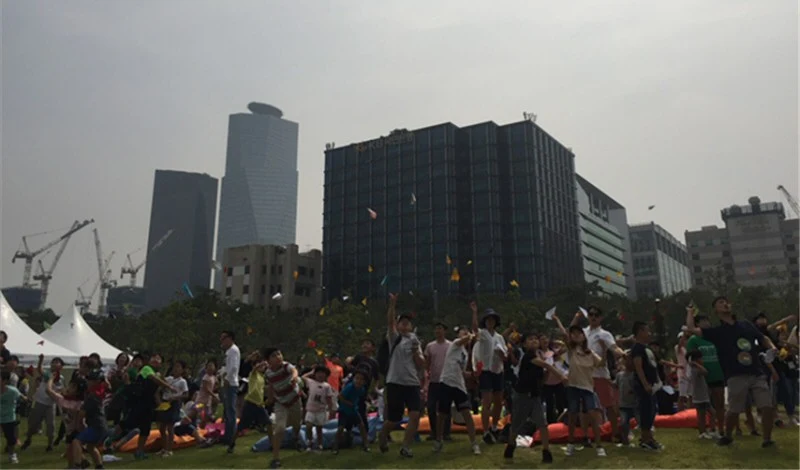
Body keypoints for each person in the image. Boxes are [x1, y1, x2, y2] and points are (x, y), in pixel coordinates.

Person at [685, 297, 778, 448]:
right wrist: (690, 312)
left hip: (756, 372)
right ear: (716, 310)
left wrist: (772, 348)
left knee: (766, 406)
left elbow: (763, 337)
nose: (725, 304)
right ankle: (728, 435)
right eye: (720, 303)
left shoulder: (746, 325)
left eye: (727, 302)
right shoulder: (717, 332)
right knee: (734, 410)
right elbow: (691, 329)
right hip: (735, 375)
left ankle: (767, 439)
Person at [504, 333, 566, 463]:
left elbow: (543, 379)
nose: (534, 341)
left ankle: (546, 451)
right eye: (530, 339)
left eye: (535, 339)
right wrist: (561, 376)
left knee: (542, 423)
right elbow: (547, 365)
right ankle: (510, 446)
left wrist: (547, 374)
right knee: (516, 424)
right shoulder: (528, 357)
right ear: (525, 344)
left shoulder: (539, 357)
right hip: (522, 395)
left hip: (535, 395)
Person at [378, 293, 425, 458]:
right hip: (395, 381)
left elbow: (421, 363)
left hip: (411, 382)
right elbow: (390, 322)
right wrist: (392, 304)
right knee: (394, 419)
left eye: (408, 322)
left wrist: (415, 353)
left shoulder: (414, 340)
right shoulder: (394, 338)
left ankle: (406, 446)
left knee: (415, 414)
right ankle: (383, 434)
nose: (405, 325)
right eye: (402, 322)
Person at [570, 306, 626, 443]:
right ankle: (586, 436)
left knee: (608, 405)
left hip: (600, 372)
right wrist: (576, 318)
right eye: (591, 315)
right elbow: (570, 333)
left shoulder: (604, 334)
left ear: (601, 318)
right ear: (587, 316)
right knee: (585, 407)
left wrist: (624, 354)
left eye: (596, 315)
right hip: (585, 374)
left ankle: (615, 433)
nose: (593, 317)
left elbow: (614, 348)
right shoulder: (583, 332)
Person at [553, 315, 607, 457]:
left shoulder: (590, 353)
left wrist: (605, 350)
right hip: (573, 387)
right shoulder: (571, 350)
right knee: (572, 415)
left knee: (593, 415)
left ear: (584, 337)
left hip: (588, 388)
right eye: (574, 334)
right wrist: (560, 320)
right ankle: (571, 444)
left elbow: (601, 364)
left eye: (579, 334)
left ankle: (599, 445)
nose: (576, 336)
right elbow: (565, 333)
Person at [432, 326, 481, 456]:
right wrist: (472, 335)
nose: (465, 336)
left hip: (459, 386)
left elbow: (461, 371)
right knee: (442, 414)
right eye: (462, 333)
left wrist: (472, 374)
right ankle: (438, 440)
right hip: (446, 382)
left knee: (467, 414)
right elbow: (463, 340)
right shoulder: (454, 344)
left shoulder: (465, 354)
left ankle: (474, 443)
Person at [470, 300, 507, 444]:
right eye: (487, 320)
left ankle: (493, 427)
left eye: (492, 320)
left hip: (497, 370)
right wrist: (474, 312)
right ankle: (485, 430)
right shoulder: (483, 334)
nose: (489, 322)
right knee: (487, 401)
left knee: (498, 402)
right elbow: (474, 329)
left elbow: (505, 356)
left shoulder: (499, 338)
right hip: (485, 370)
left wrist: (501, 354)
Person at [130, 352, 176, 460]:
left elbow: (157, 388)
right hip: (139, 402)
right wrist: (168, 386)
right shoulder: (147, 368)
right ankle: (111, 442)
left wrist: (160, 404)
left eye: (158, 358)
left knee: (147, 427)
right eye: (154, 357)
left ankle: (142, 450)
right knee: (131, 424)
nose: (156, 359)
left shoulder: (157, 373)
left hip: (148, 404)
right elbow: (154, 379)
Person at [264, 347, 303, 469]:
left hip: (295, 400)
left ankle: (295, 438)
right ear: (269, 361)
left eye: (279, 354)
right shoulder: (268, 373)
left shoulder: (286, 366)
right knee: (279, 428)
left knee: (297, 424)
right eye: (274, 356)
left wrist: (295, 377)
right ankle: (276, 459)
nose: (278, 357)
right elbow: (271, 386)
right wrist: (269, 400)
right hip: (280, 403)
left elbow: (294, 371)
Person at [687, 315, 725, 437]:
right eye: (703, 321)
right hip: (702, 377)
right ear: (697, 324)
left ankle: (720, 429)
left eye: (707, 320)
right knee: (704, 406)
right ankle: (704, 430)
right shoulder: (693, 340)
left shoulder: (714, 337)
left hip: (717, 373)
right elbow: (689, 357)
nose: (706, 323)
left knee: (719, 403)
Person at [21, 354, 64, 452]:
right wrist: (40, 360)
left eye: (57, 362)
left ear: (61, 366)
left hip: (51, 404)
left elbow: (62, 390)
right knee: (33, 424)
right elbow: (40, 370)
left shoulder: (61, 378)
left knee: (51, 425)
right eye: (53, 361)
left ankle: (50, 445)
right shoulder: (48, 374)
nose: (54, 363)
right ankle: (28, 440)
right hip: (40, 402)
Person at [631, 322, 662, 451]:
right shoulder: (637, 348)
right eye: (647, 331)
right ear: (640, 332)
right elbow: (638, 367)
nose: (649, 334)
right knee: (646, 411)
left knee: (651, 411)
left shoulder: (646, 348)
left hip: (652, 385)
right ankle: (645, 439)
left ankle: (649, 437)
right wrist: (645, 384)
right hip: (644, 386)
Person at [72, 370, 107, 469]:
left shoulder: (92, 396)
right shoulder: (99, 392)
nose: (88, 382)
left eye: (91, 380)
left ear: (97, 382)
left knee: (76, 441)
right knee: (90, 447)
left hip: (96, 426)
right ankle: (99, 466)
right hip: (102, 426)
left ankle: (77, 466)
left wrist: (79, 424)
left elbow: (82, 412)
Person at [424, 321, 452, 442]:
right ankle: (434, 431)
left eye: (440, 329)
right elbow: (427, 362)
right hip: (433, 381)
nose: (438, 331)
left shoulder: (450, 345)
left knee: (445, 407)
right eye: (436, 329)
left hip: (446, 380)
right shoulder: (430, 346)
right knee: (431, 407)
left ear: (444, 331)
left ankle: (446, 432)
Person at [157, 361, 189, 458]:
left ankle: (169, 449)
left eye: (178, 367)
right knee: (162, 427)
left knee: (170, 427)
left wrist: (175, 398)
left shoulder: (182, 381)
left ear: (182, 370)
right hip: (165, 402)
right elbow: (161, 380)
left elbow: (186, 394)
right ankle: (164, 447)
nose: (176, 369)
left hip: (174, 403)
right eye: (175, 367)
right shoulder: (169, 379)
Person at [333, 370, 370, 454]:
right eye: (357, 378)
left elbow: (358, 398)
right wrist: (348, 403)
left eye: (361, 379)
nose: (358, 381)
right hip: (344, 411)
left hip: (353, 411)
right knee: (340, 428)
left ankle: (366, 445)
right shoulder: (349, 387)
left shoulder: (362, 389)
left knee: (362, 426)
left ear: (364, 382)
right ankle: (335, 446)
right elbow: (340, 396)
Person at [303, 365, 335, 452]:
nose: (320, 375)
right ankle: (310, 441)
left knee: (319, 428)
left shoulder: (327, 386)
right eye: (318, 373)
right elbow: (303, 377)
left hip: (321, 410)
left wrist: (331, 408)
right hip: (310, 410)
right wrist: (311, 372)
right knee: (308, 425)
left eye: (322, 373)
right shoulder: (311, 382)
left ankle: (320, 444)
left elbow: (329, 398)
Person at [220, 330, 240, 453]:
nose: (221, 341)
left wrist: (227, 378)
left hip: (231, 383)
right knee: (228, 411)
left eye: (223, 338)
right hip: (228, 382)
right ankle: (228, 435)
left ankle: (230, 436)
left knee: (230, 411)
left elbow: (233, 367)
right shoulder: (229, 351)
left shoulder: (233, 350)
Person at [238, 358, 270, 435]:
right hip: (250, 402)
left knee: (268, 423)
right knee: (242, 424)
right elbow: (255, 368)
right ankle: (232, 441)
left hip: (259, 403)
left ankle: (273, 442)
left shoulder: (262, 376)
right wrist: (262, 363)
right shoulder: (253, 374)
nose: (261, 367)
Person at [687, 349, 713, 439]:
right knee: (703, 414)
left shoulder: (694, 369)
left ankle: (706, 431)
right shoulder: (695, 370)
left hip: (702, 395)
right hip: (700, 396)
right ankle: (703, 432)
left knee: (704, 414)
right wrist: (696, 364)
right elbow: (705, 372)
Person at [1, 369, 26, 464]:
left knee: (11, 439)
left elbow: (23, 397)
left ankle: (12, 455)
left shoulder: (12, 391)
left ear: (5, 381)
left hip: (8, 418)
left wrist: (26, 399)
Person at [615, 352, 637, 446]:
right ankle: (625, 441)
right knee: (624, 423)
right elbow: (616, 385)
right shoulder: (619, 375)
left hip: (635, 404)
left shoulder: (635, 375)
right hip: (623, 404)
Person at [196, 359, 219, 426]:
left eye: (212, 366)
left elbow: (216, 384)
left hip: (207, 401)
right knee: (197, 412)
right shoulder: (205, 377)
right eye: (209, 366)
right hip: (201, 400)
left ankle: (203, 426)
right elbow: (206, 388)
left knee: (207, 415)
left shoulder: (214, 377)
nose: (210, 368)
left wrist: (215, 387)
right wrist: (213, 395)